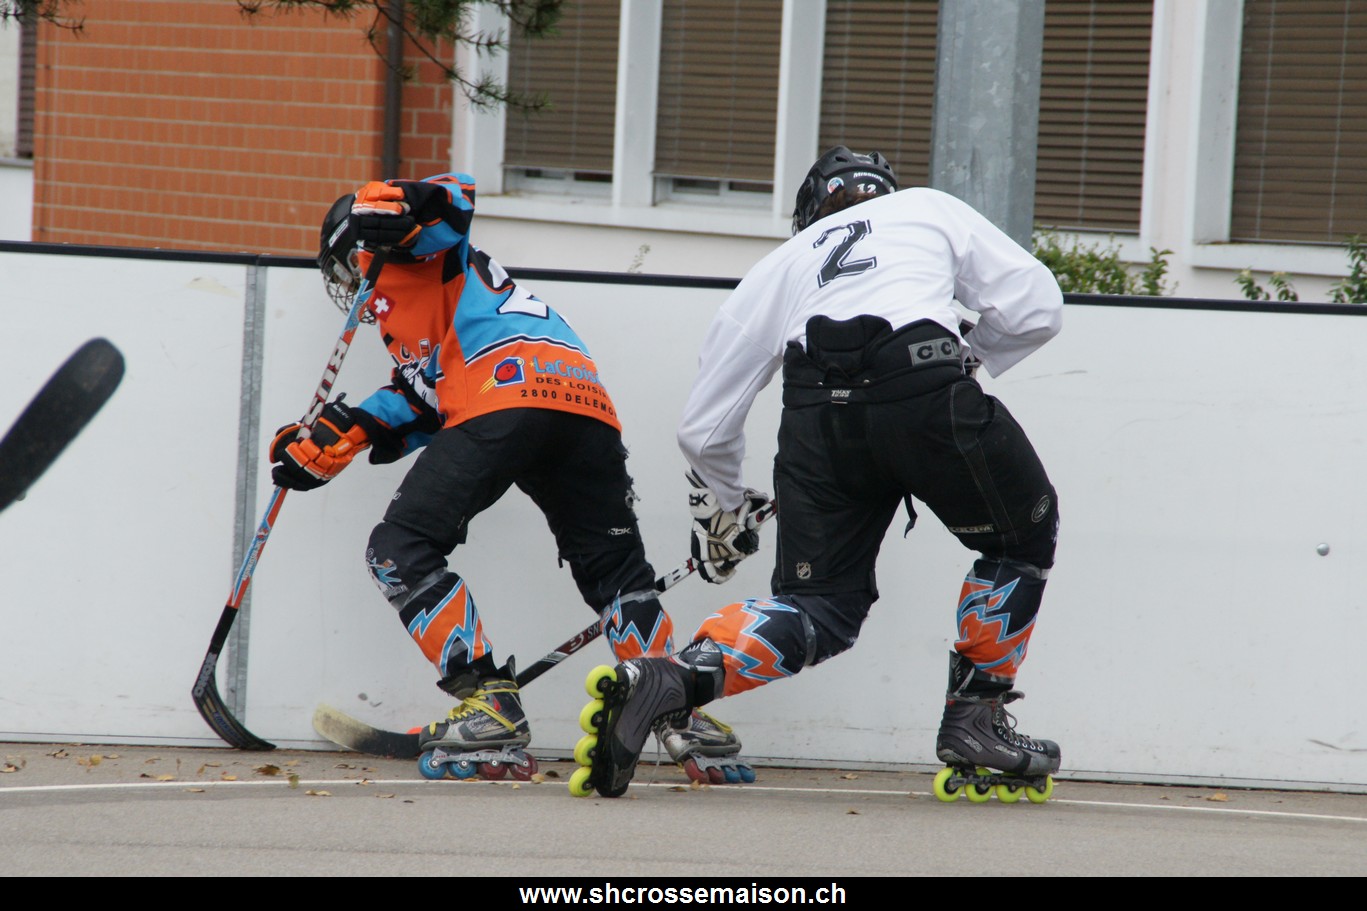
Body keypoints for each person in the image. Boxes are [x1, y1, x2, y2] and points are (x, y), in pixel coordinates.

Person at [570, 147, 1063, 801]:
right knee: (1018, 541)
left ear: (809, 213)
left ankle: (673, 677)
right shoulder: (926, 207)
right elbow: (1037, 308)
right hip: (925, 386)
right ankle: (976, 718)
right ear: (886, 192)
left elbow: (703, 428)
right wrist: (966, 358)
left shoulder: (782, 262)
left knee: (817, 605)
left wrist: (728, 505)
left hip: (816, 416)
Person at [269, 172, 751, 782]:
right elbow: (424, 397)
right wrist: (344, 432)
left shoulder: (411, 254)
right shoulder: (431, 307)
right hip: (582, 403)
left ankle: (488, 700)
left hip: (504, 394)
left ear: (357, 253)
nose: (349, 289)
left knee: (398, 548)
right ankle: (672, 703)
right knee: (617, 575)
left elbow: (455, 201)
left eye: (344, 273)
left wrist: (400, 204)